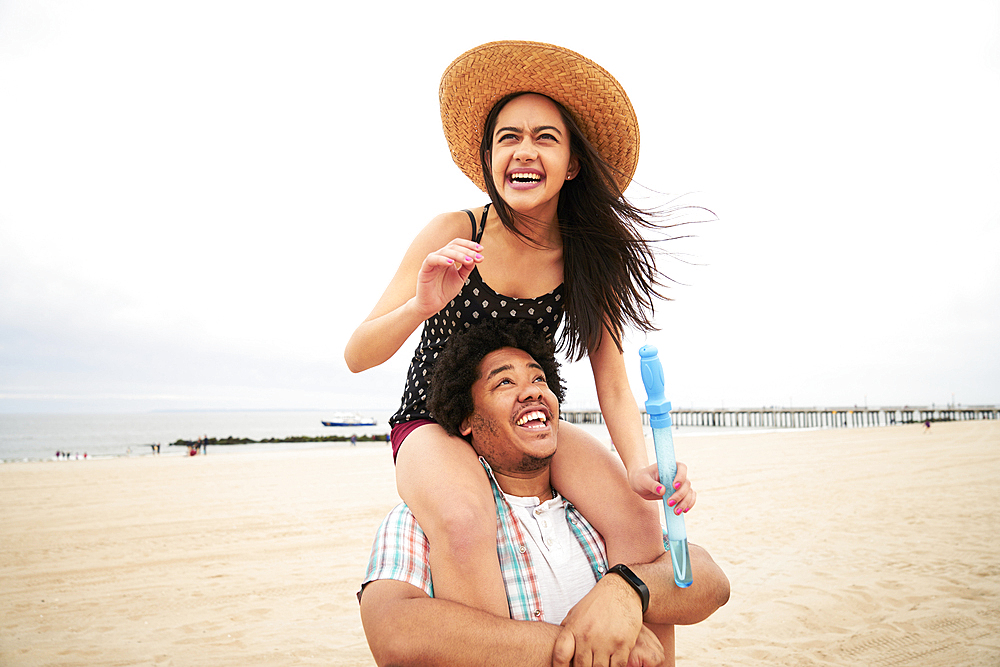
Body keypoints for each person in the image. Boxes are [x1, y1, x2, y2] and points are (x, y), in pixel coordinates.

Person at [345, 40, 692, 618]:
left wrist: (638, 468)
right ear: (488, 157)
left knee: (637, 515)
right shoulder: (454, 230)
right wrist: (420, 309)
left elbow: (612, 384)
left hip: (527, 421)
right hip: (434, 420)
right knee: (462, 518)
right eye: (508, 137)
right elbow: (358, 354)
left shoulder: (586, 259)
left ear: (572, 164)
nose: (523, 152)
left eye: (545, 138)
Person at [359, 321, 729, 667]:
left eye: (539, 378)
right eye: (504, 383)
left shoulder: (595, 507)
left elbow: (711, 582)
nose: (533, 389)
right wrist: (575, 644)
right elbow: (392, 631)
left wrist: (628, 590)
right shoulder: (427, 514)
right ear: (467, 420)